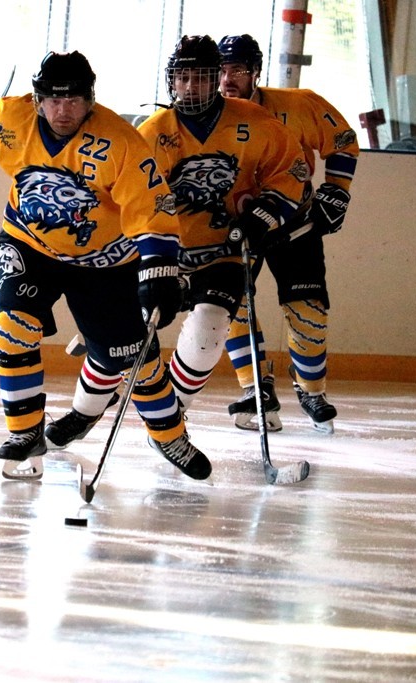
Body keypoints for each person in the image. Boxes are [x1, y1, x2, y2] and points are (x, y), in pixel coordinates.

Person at [0, 50, 211, 483]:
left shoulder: (122, 142)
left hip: (105, 261)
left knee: (132, 357)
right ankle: (25, 433)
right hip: (29, 245)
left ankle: (168, 434)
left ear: (90, 100)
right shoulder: (9, 120)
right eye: (54, 100)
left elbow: (150, 212)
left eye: (74, 101)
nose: (63, 111)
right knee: (11, 327)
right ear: (37, 99)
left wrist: (158, 270)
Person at [136, 36, 309, 430]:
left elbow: (291, 171)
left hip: (224, 251)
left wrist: (265, 213)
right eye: (183, 77)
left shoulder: (254, 121)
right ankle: (87, 409)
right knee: (128, 336)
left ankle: (170, 414)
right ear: (171, 80)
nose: (190, 87)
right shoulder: (152, 133)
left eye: (200, 78)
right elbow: (131, 197)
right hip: (167, 252)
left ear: (216, 79)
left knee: (210, 330)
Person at [217, 33, 360, 434]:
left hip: (295, 223)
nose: (228, 79)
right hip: (237, 229)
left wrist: (337, 191)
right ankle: (256, 388)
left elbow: (343, 142)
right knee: (232, 307)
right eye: (222, 70)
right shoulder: (206, 118)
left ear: (255, 72)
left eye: (238, 70)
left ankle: (312, 390)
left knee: (308, 309)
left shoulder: (298, 105)